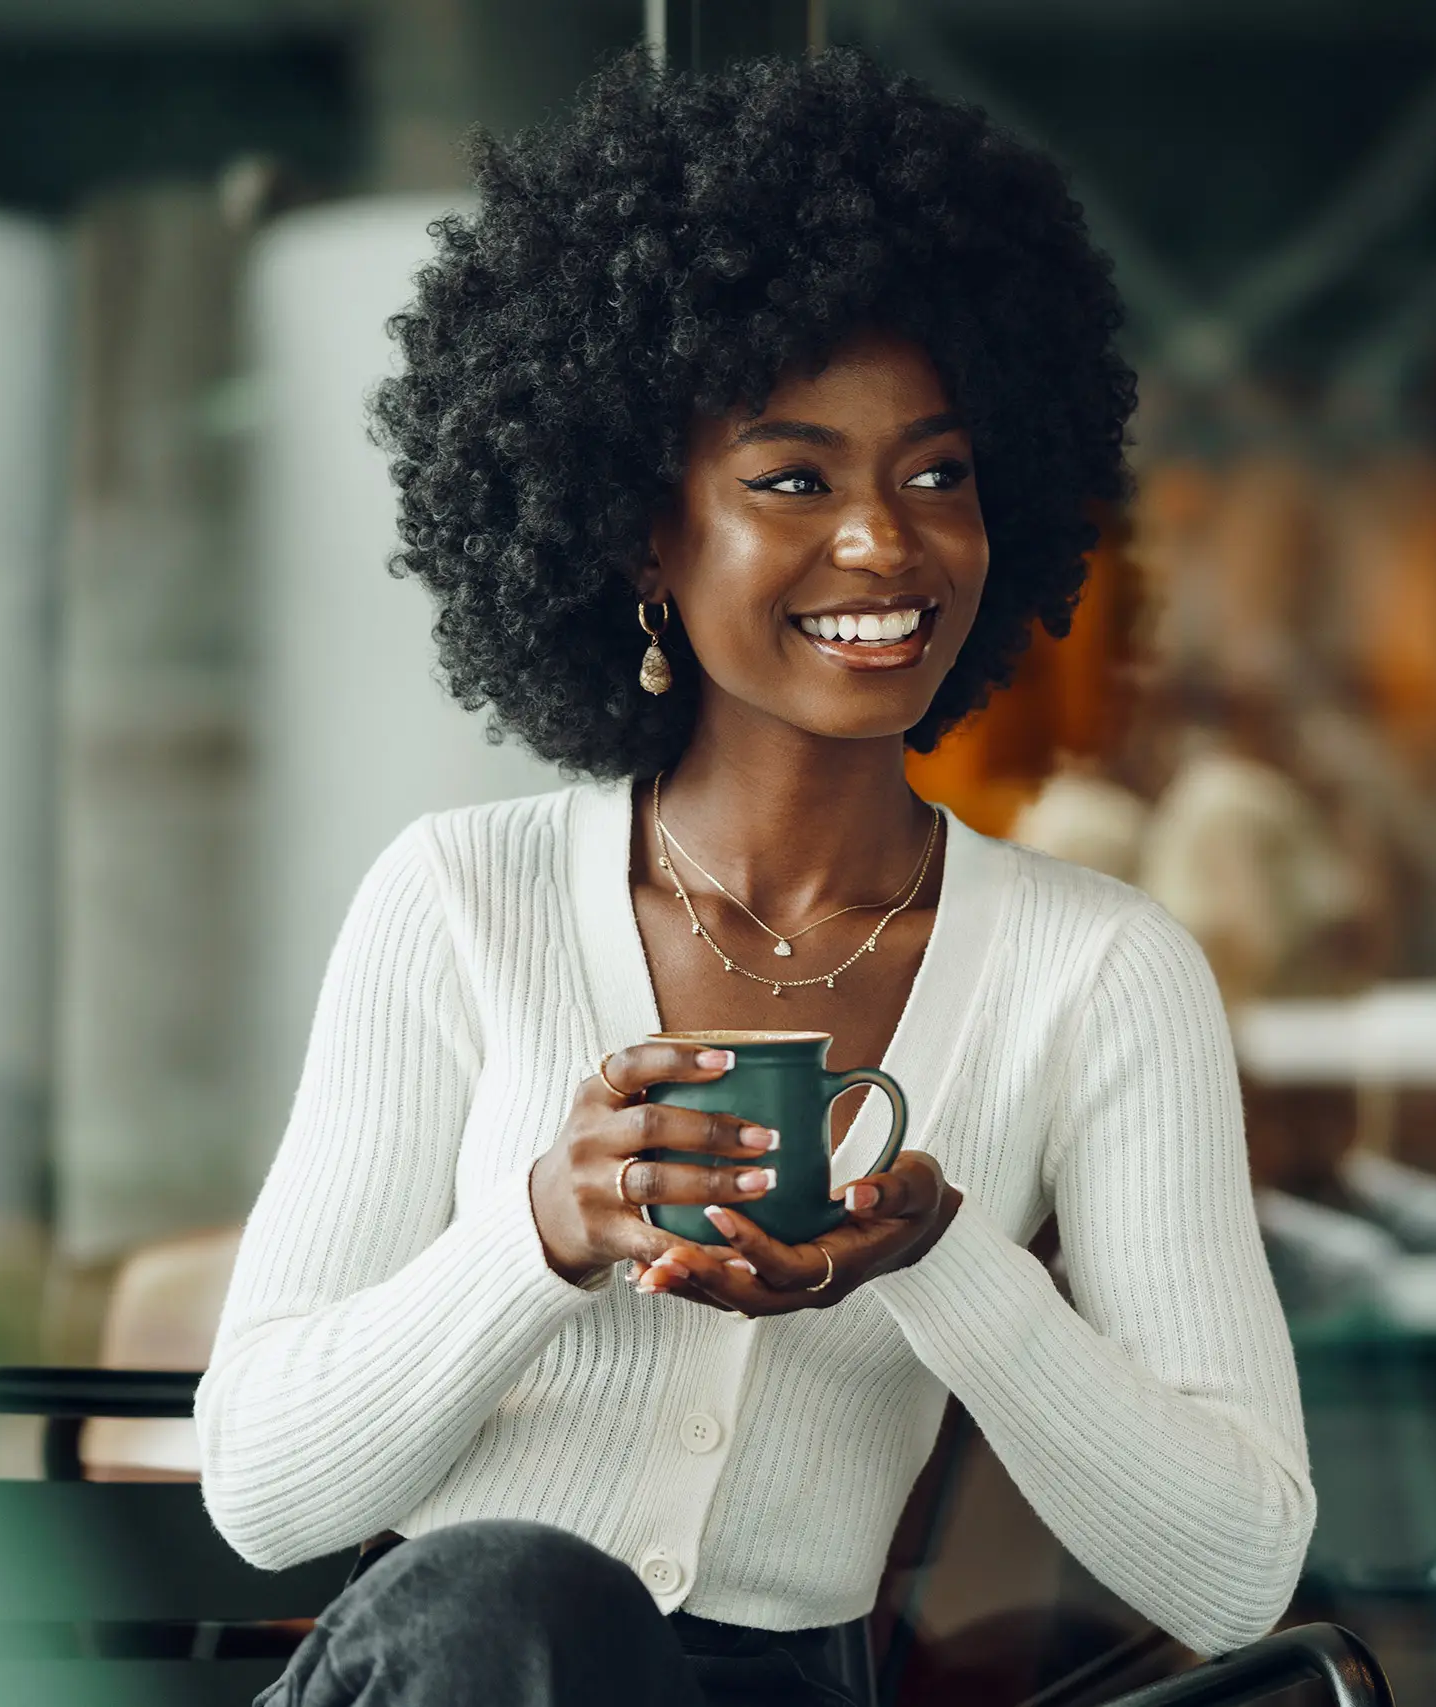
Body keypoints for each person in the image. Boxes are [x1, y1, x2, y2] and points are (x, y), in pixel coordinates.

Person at [196, 49, 1313, 1707]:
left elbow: (1235, 1564)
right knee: (515, 1597)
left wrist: (945, 1262)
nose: (884, 542)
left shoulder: (1100, 972)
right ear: (644, 531)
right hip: (451, 1665)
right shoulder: (458, 902)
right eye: (794, 479)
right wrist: (539, 1234)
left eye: (937, 471)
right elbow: (267, 1491)